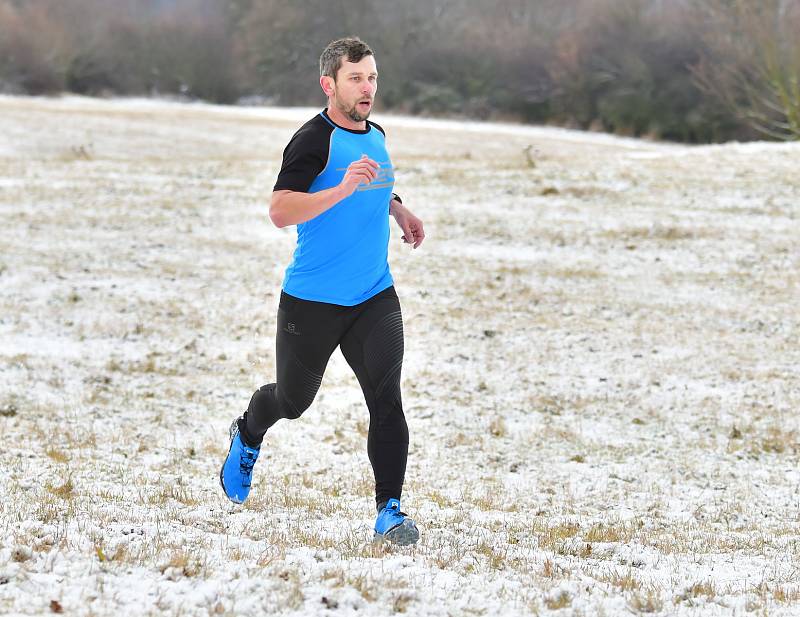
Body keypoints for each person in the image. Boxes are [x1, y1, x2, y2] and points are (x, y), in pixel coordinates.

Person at [219, 36, 425, 546]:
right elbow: (280, 210)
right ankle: (248, 432)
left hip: (373, 294)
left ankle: (390, 512)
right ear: (328, 83)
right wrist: (341, 191)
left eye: (372, 77)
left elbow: (373, 180)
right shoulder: (312, 139)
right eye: (356, 78)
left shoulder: (375, 134)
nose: (367, 87)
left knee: (387, 400)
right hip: (312, 301)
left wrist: (397, 207)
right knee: (292, 400)